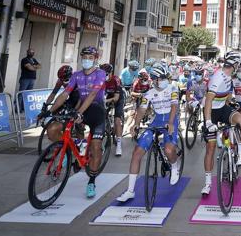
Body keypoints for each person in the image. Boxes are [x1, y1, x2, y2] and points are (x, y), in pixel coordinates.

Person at [116, 65, 181, 202]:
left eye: (163, 78)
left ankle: (174, 165)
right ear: (154, 80)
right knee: (137, 152)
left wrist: (170, 122)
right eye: (158, 79)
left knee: (169, 150)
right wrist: (136, 124)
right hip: (156, 121)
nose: (160, 81)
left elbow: (174, 105)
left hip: (170, 119)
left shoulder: (172, 88)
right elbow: (142, 109)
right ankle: (130, 190)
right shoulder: (149, 93)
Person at [49, 46, 107, 198]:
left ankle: (91, 181)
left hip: (96, 111)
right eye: (84, 57)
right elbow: (65, 94)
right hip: (81, 109)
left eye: (90, 57)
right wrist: (49, 112)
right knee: (53, 129)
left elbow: (93, 93)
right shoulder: (76, 75)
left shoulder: (100, 73)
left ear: (95, 59)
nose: (87, 60)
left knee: (95, 147)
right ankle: (71, 148)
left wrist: (79, 112)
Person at [201, 51, 241, 196]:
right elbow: (208, 101)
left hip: (222, 108)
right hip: (211, 112)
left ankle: (240, 154)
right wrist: (208, 122)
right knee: (211, 147)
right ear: (235, 64)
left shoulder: (229, 77)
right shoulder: (217, 78)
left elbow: (226, 94)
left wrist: (230, 102)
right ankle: (207, 184)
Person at [39, 65, 80, 143]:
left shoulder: (77, 79)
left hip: (80, 97)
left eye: (66, 79)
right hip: (70, 97)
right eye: (62, 79)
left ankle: (78, 130)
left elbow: (81, 98)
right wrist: (46, 105)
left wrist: (76, 110)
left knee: (76, 116)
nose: (64, 80)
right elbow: (53, 94)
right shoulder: (60, 81)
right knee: (58, 108)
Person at [101, 64, 125, 156]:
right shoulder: (100, 80)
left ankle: (119, 144)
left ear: (111, 73)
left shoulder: (116, 79)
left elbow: (116, 98)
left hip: (118, 97)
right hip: (107, 96)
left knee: (117, 120)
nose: (104, 76)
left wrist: (106, 100)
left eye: (106, 74)